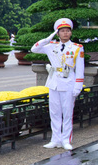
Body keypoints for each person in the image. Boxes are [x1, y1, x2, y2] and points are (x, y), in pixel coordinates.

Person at [32, 18, 84, 150]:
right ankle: (55, 139)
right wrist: (48, 38)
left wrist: (78, 86)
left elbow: (80, 69)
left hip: (68, 83)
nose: (65, 33)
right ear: (58, 33)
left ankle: (66, 140)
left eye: (67, 31)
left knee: (67, 113)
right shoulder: (51, 46)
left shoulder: (77, 48)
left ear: (71, 33)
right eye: (62, 31)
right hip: (54, 82)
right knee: (54, 113)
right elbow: (34, 49)